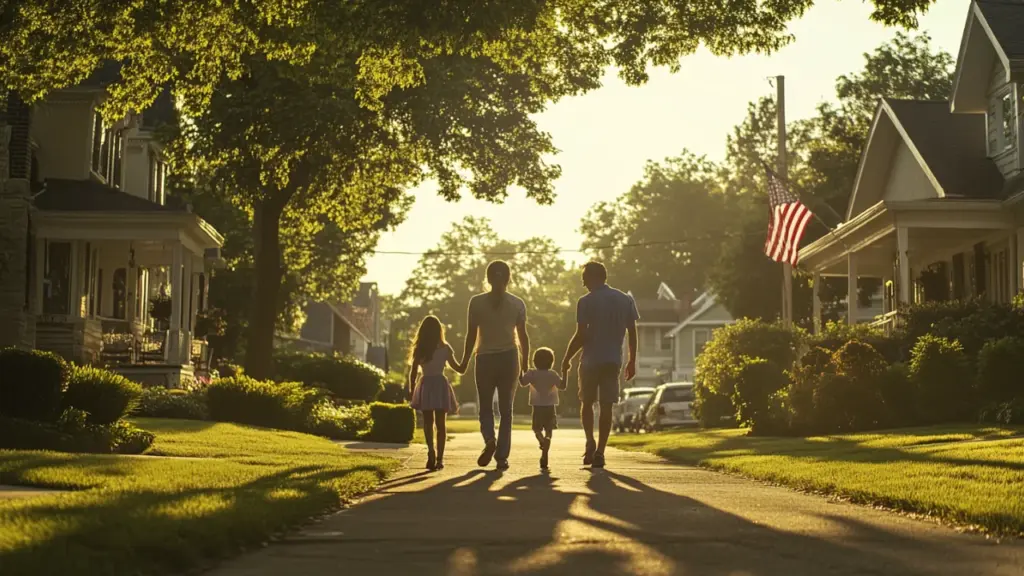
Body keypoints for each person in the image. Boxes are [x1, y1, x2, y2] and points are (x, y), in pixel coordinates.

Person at [561, 261, 639, 469]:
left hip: (590, 361)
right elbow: (632, 331)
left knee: (587, 403)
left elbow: (581, 335)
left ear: (595, 277)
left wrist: (567, 357)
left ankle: (590, 441)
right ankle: (600, 451)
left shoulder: (586, 302)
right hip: (612, 360)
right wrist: (632, 360)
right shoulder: (625, 300)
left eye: (585, 277)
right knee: (607, 406)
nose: (583, 281)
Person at [459, 260, 530, 471]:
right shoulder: (518, 304)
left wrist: (464, 361)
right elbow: (523, 336)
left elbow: (471, 335)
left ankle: (489, 439)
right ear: (509, 279)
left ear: (488, 278)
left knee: (486, 406)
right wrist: (525, 363)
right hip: (509, 358)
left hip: (485, 359)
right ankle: (501, 457)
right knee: (506, 410)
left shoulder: (476, 302)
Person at [408, 315, 464, 471]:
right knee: (441, 424)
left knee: (428, 422)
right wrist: (467, 359)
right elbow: (458, 368)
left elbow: (413, 372)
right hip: (440, 384)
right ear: (440, 330)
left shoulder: (420, 348)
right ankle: (439, 459)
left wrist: (412, 389)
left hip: (426, 384)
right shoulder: (445, 348)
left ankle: (431, 452)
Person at [519, 347, 568, 471]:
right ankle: (544, 454)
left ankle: (541, 441)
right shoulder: (552, 374)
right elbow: (562, 386)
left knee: (537, 429)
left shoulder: (532, 373)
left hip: (537, 407)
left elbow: (522, 382)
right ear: (551, 361)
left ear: (534, 361)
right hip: (550, 407)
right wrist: (565, 372)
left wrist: (520, 370)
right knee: (549, 430)